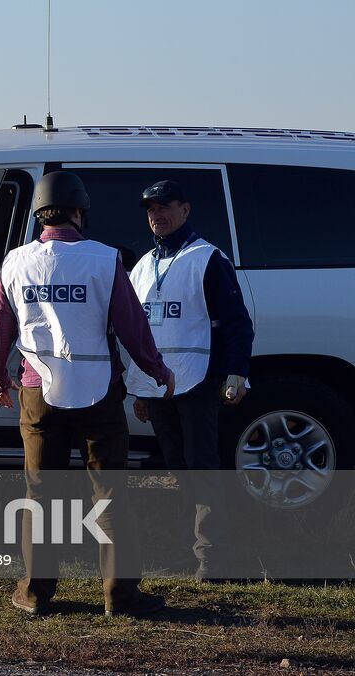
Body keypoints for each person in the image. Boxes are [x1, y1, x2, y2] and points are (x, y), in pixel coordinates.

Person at [0, 170, 176, 617]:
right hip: (98, 394)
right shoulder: (105, 259)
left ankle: (34, 593)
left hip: (38, 394)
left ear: (39, 216)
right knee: (111, 496)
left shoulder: (15, 262)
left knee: (40, 496)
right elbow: (132, 327)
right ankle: (119, 596)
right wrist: (156, 369)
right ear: (78, 212)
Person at [125, 180, 255, 581]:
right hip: (158, 385)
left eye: (165, 206)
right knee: (177, 468)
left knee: (202, 467)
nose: (157, 214)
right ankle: (185, 553)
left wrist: (236, 372)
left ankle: (212, 559)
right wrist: (140, 390)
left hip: (199, 383)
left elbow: (237, 323)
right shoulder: (143, 266)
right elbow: (136, 333)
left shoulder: (207, 258)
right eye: (150, 209)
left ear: (185, 209)